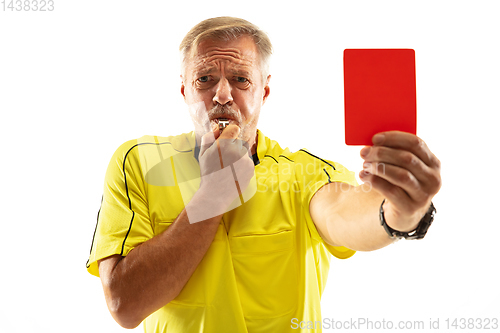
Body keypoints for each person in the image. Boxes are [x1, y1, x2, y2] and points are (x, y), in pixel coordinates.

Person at [86, 16, 441, 333]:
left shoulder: (305, 172)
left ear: (264, 91)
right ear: (185, 90)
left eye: (241, 79)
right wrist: (213, 196)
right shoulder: (137, 162)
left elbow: (344, 214)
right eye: (205, 79)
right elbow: (124, 305)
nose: (222, 94)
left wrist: (401, 213)